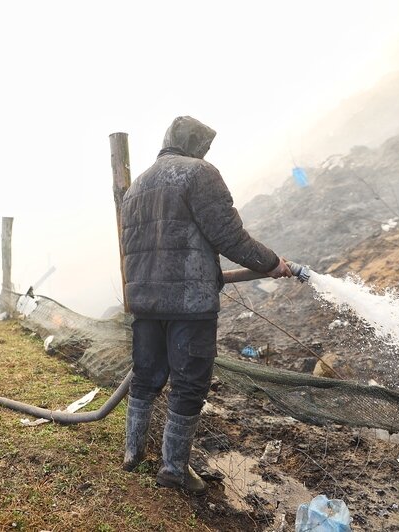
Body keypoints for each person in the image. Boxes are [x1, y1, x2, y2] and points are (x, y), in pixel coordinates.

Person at [120, 116, 292, 495]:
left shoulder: (136, 187)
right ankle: (172, 471)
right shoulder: (199, 174)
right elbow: (229, 236)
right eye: (205, 147)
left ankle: (132, 454)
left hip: (145, 303)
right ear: (194, 144)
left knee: (146, 378)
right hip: (189, 303)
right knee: (188, 385)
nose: (207, 153)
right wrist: (271, 263)